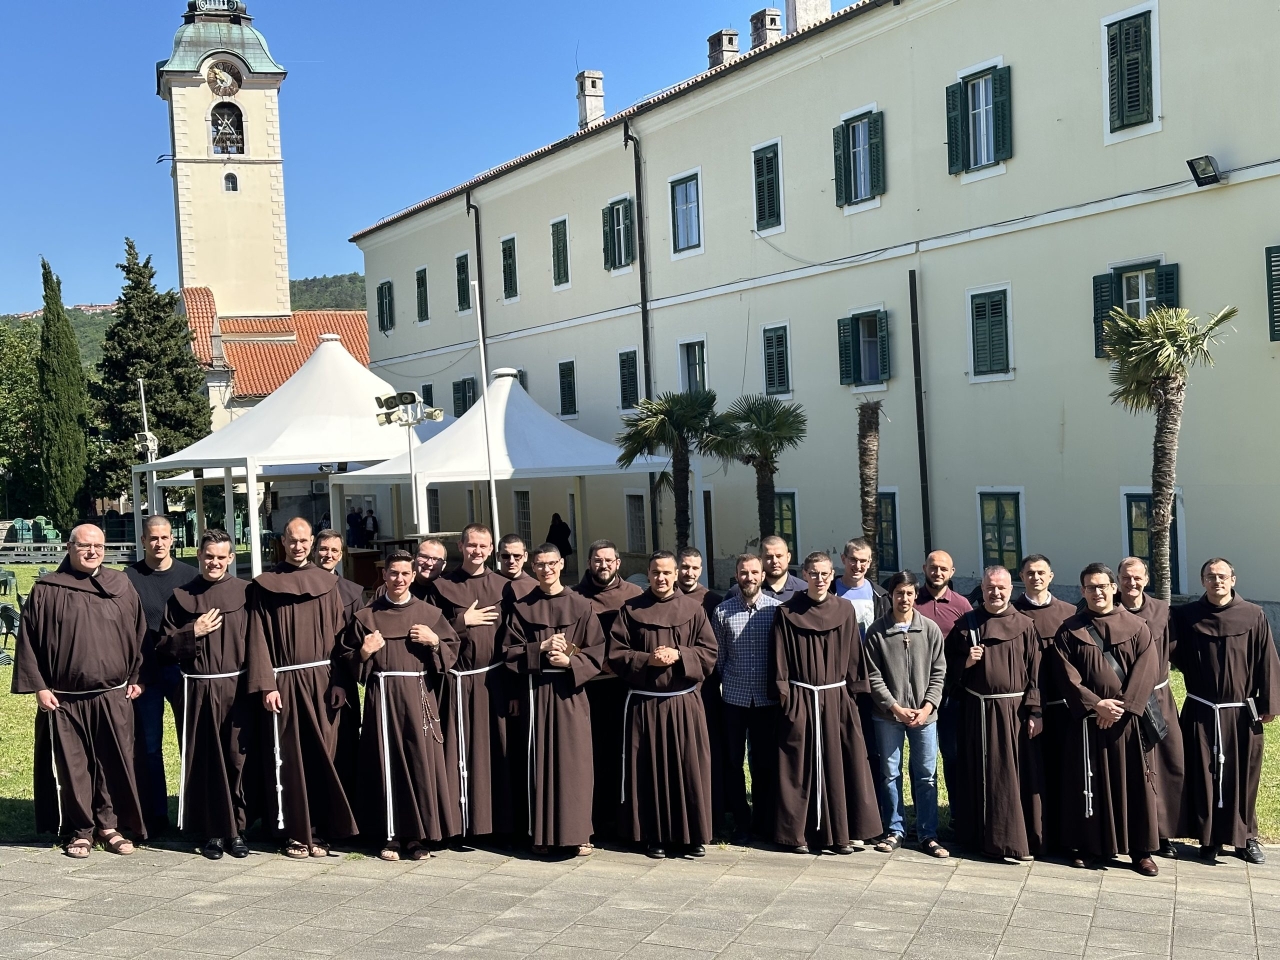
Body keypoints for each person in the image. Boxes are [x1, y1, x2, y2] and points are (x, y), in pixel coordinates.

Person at [13, 524, 147, 857]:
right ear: (69, 547)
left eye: (98, 546)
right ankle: (81, 830)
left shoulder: (121, 585)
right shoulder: (47, 589)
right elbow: (28, 640)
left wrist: (136, 675)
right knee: (74, 767)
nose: (92, 552)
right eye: (85, 545)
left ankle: (109, 827)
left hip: (113, 695)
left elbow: (138, 633)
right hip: (64, 699)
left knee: (111, 763)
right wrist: (39, 687)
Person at [245, 518, 358, 859]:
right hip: (282, 683)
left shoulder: (327, 584)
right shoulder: (265, 585)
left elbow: (340, 638)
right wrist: (266, 684)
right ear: (283, 541)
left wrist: (340, 681)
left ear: (311, 542)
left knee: (322, 755)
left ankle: (321, 829)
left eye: (304, 540)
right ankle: (293, 831)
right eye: (292, 540)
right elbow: (257, 637)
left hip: (322, 682)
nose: (298, 546)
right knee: (288, 757)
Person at [345, 552, 460, 861]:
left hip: (417, 696)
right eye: (393, 573)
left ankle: (417, 837)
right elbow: (347, 661)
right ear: (384, 575)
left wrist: (434, 641)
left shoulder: (429, 614)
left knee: (419, 763)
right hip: (382, 698)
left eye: (405, 574)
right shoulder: (367, 616)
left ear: (412, 576)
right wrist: (365, 652)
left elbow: (450, 654)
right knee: (385, 762)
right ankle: (390, 835)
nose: (399, 579)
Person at [1050, 563, 1160, 876]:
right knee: (1089, 782)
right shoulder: (1069, 630)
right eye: (1090, 587)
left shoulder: (1138, 627)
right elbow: (1065, 675)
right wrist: (1096, 705)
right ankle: (1090, 847)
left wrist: (1120, 708)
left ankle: (1141, 851)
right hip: (1088, 723)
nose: (1097, 592)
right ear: (1082, 591)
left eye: (1102, 586)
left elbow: (1146, 670)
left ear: (1114, 588)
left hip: (1126, 724)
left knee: (1134, 784)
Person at [609, 550, 717, 858]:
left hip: (683, 705)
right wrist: (648, 660)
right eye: (656, 572)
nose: (661, 578)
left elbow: (709, 653)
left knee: (688, 769)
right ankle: (653, 835)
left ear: (676, 574)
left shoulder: (693, 609)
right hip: (645, 706)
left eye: (667, 572)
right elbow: (616, 654)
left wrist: (681, 654)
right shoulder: (631, 609)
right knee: (649, 771)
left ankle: (691, 836)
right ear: (648, 573)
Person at [772, 552, 882, 855]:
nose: (819, 579)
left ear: (832, 575)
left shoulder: (844, 610)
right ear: (804, 575)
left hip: (836, 698)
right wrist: (785, 696)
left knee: (842, 764)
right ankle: (798, 835)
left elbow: (854, 656)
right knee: (799, 766)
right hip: (801, 698)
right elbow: (779, 658)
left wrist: (853, 696)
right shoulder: (787, 611)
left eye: (824, 574)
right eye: (814, 573)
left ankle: (843, 833)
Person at [1171, 558, 1279, 865]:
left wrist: (1269, 704)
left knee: (1243, 776)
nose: (1216, 581)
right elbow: (1169, 649)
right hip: (1201, 709)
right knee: (1203, 774)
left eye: (1221, 576)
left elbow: (1267, 659)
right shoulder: (1186, 616)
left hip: (1241, 711)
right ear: (1202, 581)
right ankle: (1209, 838)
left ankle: (1245, 838)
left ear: (1233, 579)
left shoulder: (1254, 615)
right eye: (1210, 576)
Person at [502, 543, 605, 856]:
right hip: (535, 692)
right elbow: (508, 652)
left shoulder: (581, 605)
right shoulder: (523, 607)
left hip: (570, 693)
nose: (546, 569)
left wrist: (570, 661)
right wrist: (541, 648)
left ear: (562, 565)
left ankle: (579, 832)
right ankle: (542, 834)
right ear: (533, 568)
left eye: (551, 564)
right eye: (540, 565)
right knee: (539, 762)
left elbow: (596, 652)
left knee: (576, 763)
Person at [158, 528, 254, 860]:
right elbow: (163, 647)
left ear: (231, 558)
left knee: (237, 758)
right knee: (205, 759)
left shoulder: (246, 593)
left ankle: (237, 830)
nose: (214, 562)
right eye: (208, 556)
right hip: (198, 689)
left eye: (221, 557)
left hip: (237, 689)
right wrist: (192, 631)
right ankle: (213, 831)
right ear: (199, 555)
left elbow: (259, 642)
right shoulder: (181, 596)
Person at [944, 566, 1043, 862]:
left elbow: (1036, 673)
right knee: (977, 772)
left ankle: (1014, 840)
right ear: (982, 589)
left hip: (1014, 714)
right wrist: (965, 663)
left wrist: (1035, 712)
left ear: (1010, 590)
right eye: (990, 588)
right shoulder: (966, 625)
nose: (995, 593)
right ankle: (977, 837)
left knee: (1012, 775)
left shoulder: (1025, 625)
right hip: (977, 712)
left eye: (1001, 588)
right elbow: (945, 670)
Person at [427, 523, 514, 839]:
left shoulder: (505, 587)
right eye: (471, 545)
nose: (477, 551)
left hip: (494, 681)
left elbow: (514, 636)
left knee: (495, 752)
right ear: (461, 547)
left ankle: (497, 825)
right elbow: (429, 632)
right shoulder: (441, 586)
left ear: (491, 550)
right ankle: (458, 825)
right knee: (457, 752)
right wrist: (462, 622)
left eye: (483, 546)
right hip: (457, 683)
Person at [124, 515, 200, 835]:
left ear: (172, 539)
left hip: (183, 670)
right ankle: (154, 816)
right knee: (149, 746)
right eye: (152, 538)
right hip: (146, 672)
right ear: (143, 541)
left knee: (190, 742)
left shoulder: (190, 576)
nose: (159, 543)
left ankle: (194, 813)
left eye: (164, 537)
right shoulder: (129, 578)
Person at [864, 570, 947, 857]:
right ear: (891, 596)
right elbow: (873, 675)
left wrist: (928, 707)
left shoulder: (930, 629)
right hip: (888, 716)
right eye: (899, 593)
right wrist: (895, 707)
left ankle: (927, 833)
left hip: (925, 717)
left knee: (926, 775)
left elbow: (939, 672)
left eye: (909, 593)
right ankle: (894, 829)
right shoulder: (877, 631)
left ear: (916, 595)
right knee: (890, 773)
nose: (904, 598)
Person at [711, 554, 782, 845]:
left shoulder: (776, 610)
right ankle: (741, 821)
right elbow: (718, 658)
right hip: (734, 700)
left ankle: (764, 821)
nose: (749, 577)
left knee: (765, 763)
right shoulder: (722, 612)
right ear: (736, 575)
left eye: (754, 572)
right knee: (733, 762)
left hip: (766, 701)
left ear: (763, 575)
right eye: (744, 572)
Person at [574, 539, 643, 841]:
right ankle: (593, 819)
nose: (603, 565)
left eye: (608, 560)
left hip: (623, 687)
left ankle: (623, 820)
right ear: (589, 563)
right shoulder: (574, 596)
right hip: (587, 687)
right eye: (597, 560)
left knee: (623, 752)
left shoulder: (635, 595)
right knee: (592, 754)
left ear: (618, 563)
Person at [1117, 557, 1184, 859]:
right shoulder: (1104, 609)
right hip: (1120, 702)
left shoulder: (1162, 611)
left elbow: (1177, 650)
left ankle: (1162, 832)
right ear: (1117, 580)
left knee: (1166, 765)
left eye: (1137, 578)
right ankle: (1127, 830)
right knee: (1128, 766)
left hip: (1158, 699)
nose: (1131, 583)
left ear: (1146, 579)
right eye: (1125, 577)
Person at [1011, 554, 1077, 854]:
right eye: (1029, 573)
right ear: (1021, 577)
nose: (1035, 577)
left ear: (1051, 576)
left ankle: (1068, 836)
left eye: (1041, 572)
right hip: (1026, 707)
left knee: (1065, 771)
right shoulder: (1012, 613)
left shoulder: (1070, 613)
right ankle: (1038, 836)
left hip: (1065, 705)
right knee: (1034, 773)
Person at [832, 537, 891, 819]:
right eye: (853, 559)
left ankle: (873, 811)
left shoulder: (880, 596)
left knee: (872, 748)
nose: (857, 565)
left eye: (863, 561)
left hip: (871, 683)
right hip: (836, 683)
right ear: (843, 559)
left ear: (870, 562)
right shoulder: (829, 591)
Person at [915, 550, 973, 809]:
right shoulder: (912, 600)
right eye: (933, 567)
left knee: (953, 754)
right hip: (917, 691)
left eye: (943, 568)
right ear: (924, 568)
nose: (937, 572)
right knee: (920, 759)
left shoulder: (962, 606)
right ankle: (923, 817)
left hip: (951, 693)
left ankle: (958, 814)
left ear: (952, 572)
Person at [676, 546, 726, 833]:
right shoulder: (662, 597)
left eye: (695, 568)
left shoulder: (713, 601)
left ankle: (713, 813)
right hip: (670, 690)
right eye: (685, 567)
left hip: (705, 690)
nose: (689, 572)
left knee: (708, 751)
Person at [313, 529, 365, 801]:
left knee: (343, 743)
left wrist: (342, 681)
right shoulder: (299, 585)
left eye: (334, 550)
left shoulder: (352, 593)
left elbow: (353, 643)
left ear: (341, 555)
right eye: (323, 549)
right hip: (307, 677)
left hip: (341, 678)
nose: (328, 554)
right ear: (314, 550)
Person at [728, 535, 807, 602]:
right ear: (760, 558)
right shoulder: (739, 591)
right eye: (769, 557)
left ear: (788, 557)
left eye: (779, 556)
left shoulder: (805, 590)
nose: (774, 561)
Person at [496, 534, 538, 602]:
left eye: (517, 556)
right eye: (506, 556)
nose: (511, 561)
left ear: (525, 556)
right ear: (498, 556)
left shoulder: (535, 588)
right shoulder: (486, 584)